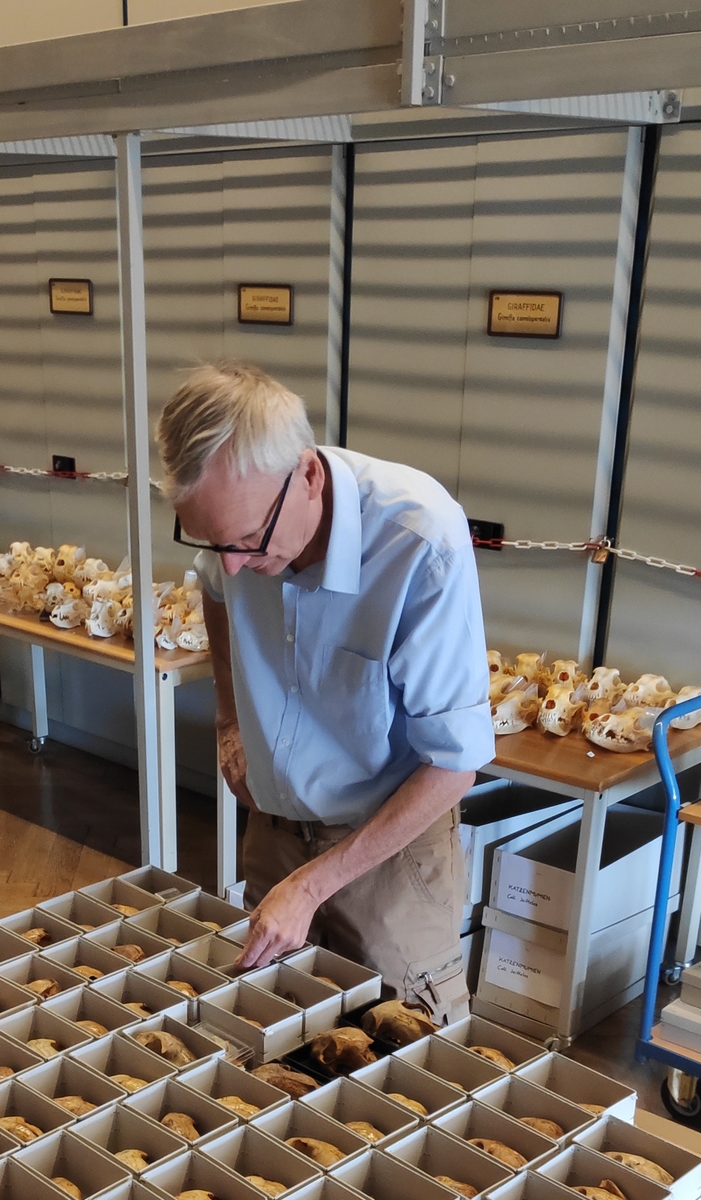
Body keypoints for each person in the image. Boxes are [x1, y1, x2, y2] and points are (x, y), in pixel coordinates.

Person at [156, 360, 493, 1024]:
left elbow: (455, 766)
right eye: (211, 539)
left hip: (390, 853)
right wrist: (229, 722)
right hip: (276, 830)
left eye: (248, 540)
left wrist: (312, 886)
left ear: (308, 476)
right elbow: (216, 588)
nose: (233, 561)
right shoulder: (242, 525)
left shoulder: (419, 540)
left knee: (400, 1063)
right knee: (271, 1038)